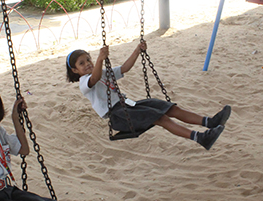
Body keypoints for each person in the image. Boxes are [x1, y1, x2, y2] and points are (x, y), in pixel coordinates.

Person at [66, 41, 231, 150]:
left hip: (128, 106)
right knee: (160, 118)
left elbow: (124, 68)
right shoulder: (84, 82)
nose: (87, 64)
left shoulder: (103, 72)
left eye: (88, 60)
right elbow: (94, 79)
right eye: (82, 63)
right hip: (119, 116)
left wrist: (137, 51)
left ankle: (209, 122)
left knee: (168, 108)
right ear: (75, 70)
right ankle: (200, 138)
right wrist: (100, 59)